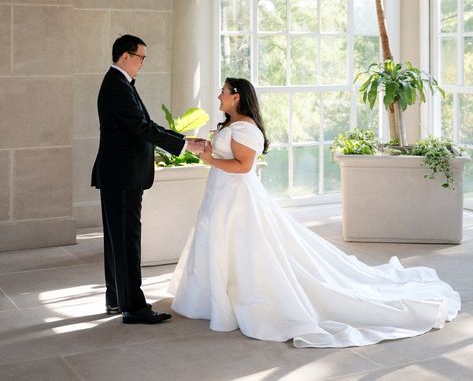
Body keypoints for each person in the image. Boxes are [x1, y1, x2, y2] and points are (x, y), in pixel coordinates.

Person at [169, 77, 461, 347]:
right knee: (218, 244)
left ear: (237, 97)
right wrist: (210, 149)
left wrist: (209, 159)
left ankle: (238, 300)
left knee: (240, 248)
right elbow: (229, 156)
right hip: (220, 195)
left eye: (223, 91)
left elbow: (243, 167)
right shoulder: (232, 125)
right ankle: (214, 299)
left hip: (235, 199)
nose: (218, 95)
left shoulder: (245, 128)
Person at [92, 34, 204, 324]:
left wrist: (181, 139)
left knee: (118, 239)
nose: (143, 63)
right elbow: (142, 129)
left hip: (119, 174)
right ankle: (134, 308)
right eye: (141, 57)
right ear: (125, 56)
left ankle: (117, 299)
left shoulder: (118, 83)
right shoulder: (117, 86)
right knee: (127, 239)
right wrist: (183, 147)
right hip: (123, 175)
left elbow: (145, 125)